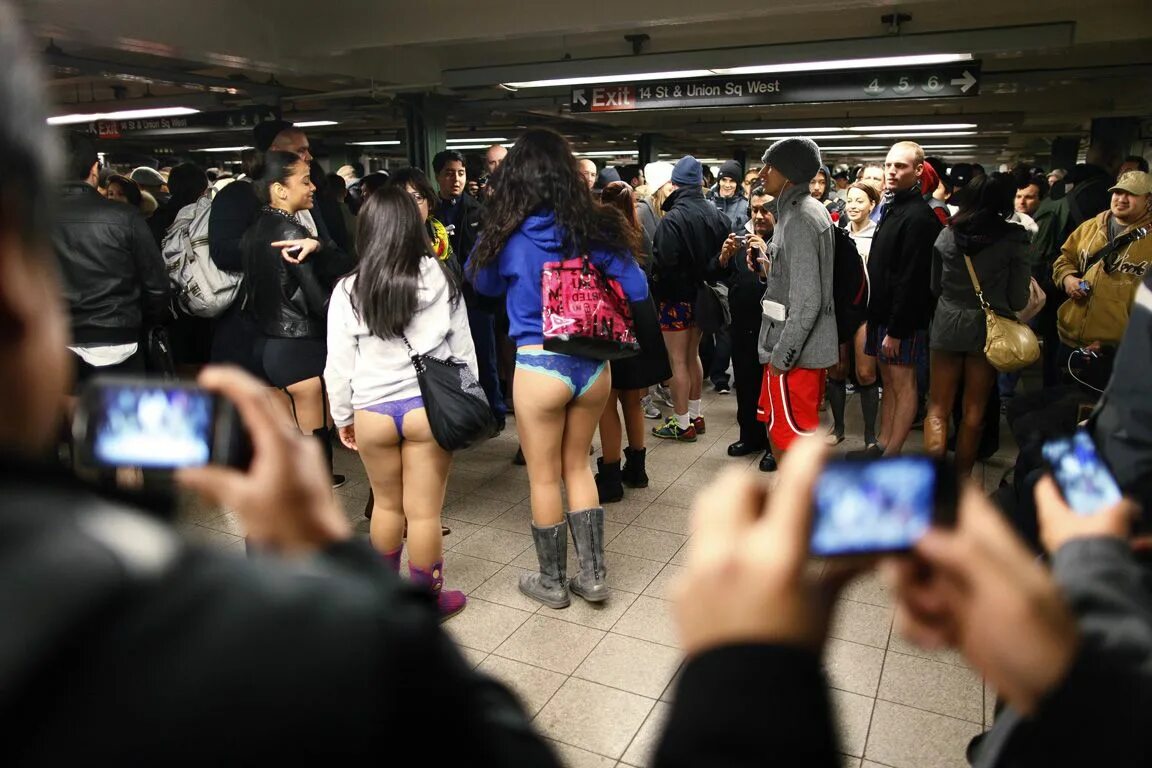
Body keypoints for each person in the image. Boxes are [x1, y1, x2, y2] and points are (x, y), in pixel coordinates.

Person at [467, 128, 651, 610]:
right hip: (593, 366)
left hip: (537, 365)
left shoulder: (506, 233)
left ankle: (552, 581)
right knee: (578, 466)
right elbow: (636, 290)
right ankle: (593, 577)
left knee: (544, 475)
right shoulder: (597, 226)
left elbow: (481, 285)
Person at [325, 187, 474, 619]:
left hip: (372, 409)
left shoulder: (349, 289)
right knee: (424, 513)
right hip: (426, 408)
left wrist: (342, 417)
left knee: (386, 507)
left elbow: (338, 365)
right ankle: (427, 600)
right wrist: (466, 403)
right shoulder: (441, 278)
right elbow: (463, 351)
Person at [241, 150, 341, 483]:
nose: (313, 186)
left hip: (263, 348)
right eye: (305, 180)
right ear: (280, 190)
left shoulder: (254, 228)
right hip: (300, 351)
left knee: (286, 453)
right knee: (315, 453)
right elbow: (319, 302)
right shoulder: (291, 233)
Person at [924, 173, 1031, 477]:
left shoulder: (946, 235)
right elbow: (1018, 297)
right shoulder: (1014, 239)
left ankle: (936, 486)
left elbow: (934, 286)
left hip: (947, 323)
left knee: (938, 409)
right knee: (974, 412)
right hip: (989, 329)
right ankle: (960, 483)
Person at [54, 132, 171, 384]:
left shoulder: (27, 218)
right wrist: (142, 321)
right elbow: (157, 287)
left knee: (60, 422)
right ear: (95, 169)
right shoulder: (126, 217)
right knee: (120, 418)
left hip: (53, 343)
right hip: (118, 341)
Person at [751, 138, 838, 459]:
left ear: (788, 173)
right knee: (781, 432)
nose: (762, 173)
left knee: (791, 446)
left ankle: (795, 509)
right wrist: (768, 268)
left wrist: (780, 360)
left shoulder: (800, 218)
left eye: (769, 166)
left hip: (793, 356)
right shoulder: (798, 211)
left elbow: (807, 301)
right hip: (789, 349)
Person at [593, 180, 671, 502]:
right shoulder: (640, 233)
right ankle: (637, 470)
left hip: (612, 317)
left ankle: (610, 477)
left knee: (606, 401)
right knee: (632, 399)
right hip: (642, 313)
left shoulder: (595, 238)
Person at [864, 141, 942, 457]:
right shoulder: (894, 207)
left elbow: (912, 279)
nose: (893, 171)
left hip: (903, 321)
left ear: (919, 170)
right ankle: (882, 442)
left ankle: (892, 451)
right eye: (889, 165)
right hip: (882, 313)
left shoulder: (920, 217)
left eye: (901, 166)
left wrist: (896, 329)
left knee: (903, 383)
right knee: (888, 383)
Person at [649, 155, 731, 442]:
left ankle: (681, 423)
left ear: (675, 185)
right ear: (701, 183)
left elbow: (664, 266)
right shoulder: (719, 216)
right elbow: (724, 263)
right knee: (693, 355)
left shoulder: (672, 219)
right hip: (703, 299)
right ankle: (696, 415)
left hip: (675, 300)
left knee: (676, 361)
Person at [434, 149, 506, 430]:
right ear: (438, 176)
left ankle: (495, 412)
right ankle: (458, 414)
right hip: (441, 300)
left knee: (484, 357)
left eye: (461, 173)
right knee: (448, 360)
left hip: (476, 298)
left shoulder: (479, 211)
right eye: (449, 173)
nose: (456, 179)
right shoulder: (431, 213)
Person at [719, 187, 778, 471]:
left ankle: (773, 445)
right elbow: (719, 275)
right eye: (754, 210)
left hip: (774, 326)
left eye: (765, 210)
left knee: (771, 387)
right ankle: (750, 436)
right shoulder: (742, 237)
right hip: (742, 322)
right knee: (745, 381)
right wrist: (723, 258)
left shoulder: (786, 239)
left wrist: (768, 258)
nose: (758, 216)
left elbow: (785, 283)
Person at [826, 181, 880, 449]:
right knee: (836, 370)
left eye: (860, 201)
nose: (854, 206)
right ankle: (837, 428)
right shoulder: (838, 235)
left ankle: (871, 435)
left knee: (866, 373)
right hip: (839, 310)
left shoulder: (879, 235)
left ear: (872, 205)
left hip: (866, 313)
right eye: (850, 200)